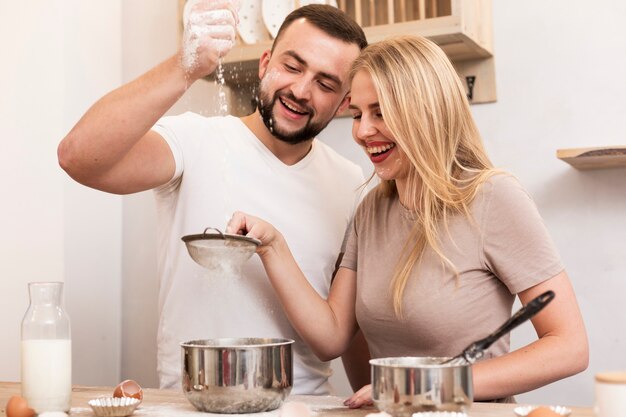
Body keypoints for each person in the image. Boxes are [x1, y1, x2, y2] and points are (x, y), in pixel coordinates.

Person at [226, 35, 589, 406]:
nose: (363, 131)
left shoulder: (493, 198)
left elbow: (569, 346)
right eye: (356, 114)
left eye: (380, 113)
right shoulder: (370, 210)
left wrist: (427, 385)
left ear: (426, 111)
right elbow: (331, 337)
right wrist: (273, 247)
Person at [57, 3, 370, 394]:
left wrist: (373, 401)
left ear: (344, 102)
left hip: (303, 405)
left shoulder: (350, 182)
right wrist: (184, 66)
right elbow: (79, 158)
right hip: (196, 402)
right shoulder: (193, 140)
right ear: (265, 63)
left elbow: (347, 325)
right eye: (292, 66)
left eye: (326, 84)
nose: (301, 91)